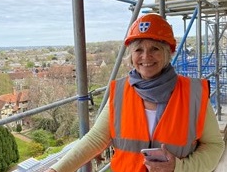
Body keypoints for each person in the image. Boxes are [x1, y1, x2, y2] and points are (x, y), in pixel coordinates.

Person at [45, 13, 225, 172]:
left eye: (155, 48)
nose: (146, 57)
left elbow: (214, 146)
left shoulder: (193, 94)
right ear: (131, 55)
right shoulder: (120, 93)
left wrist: (180, 168)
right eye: (138, 50)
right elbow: (95, 139)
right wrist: (56, 169)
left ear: (167, 53)